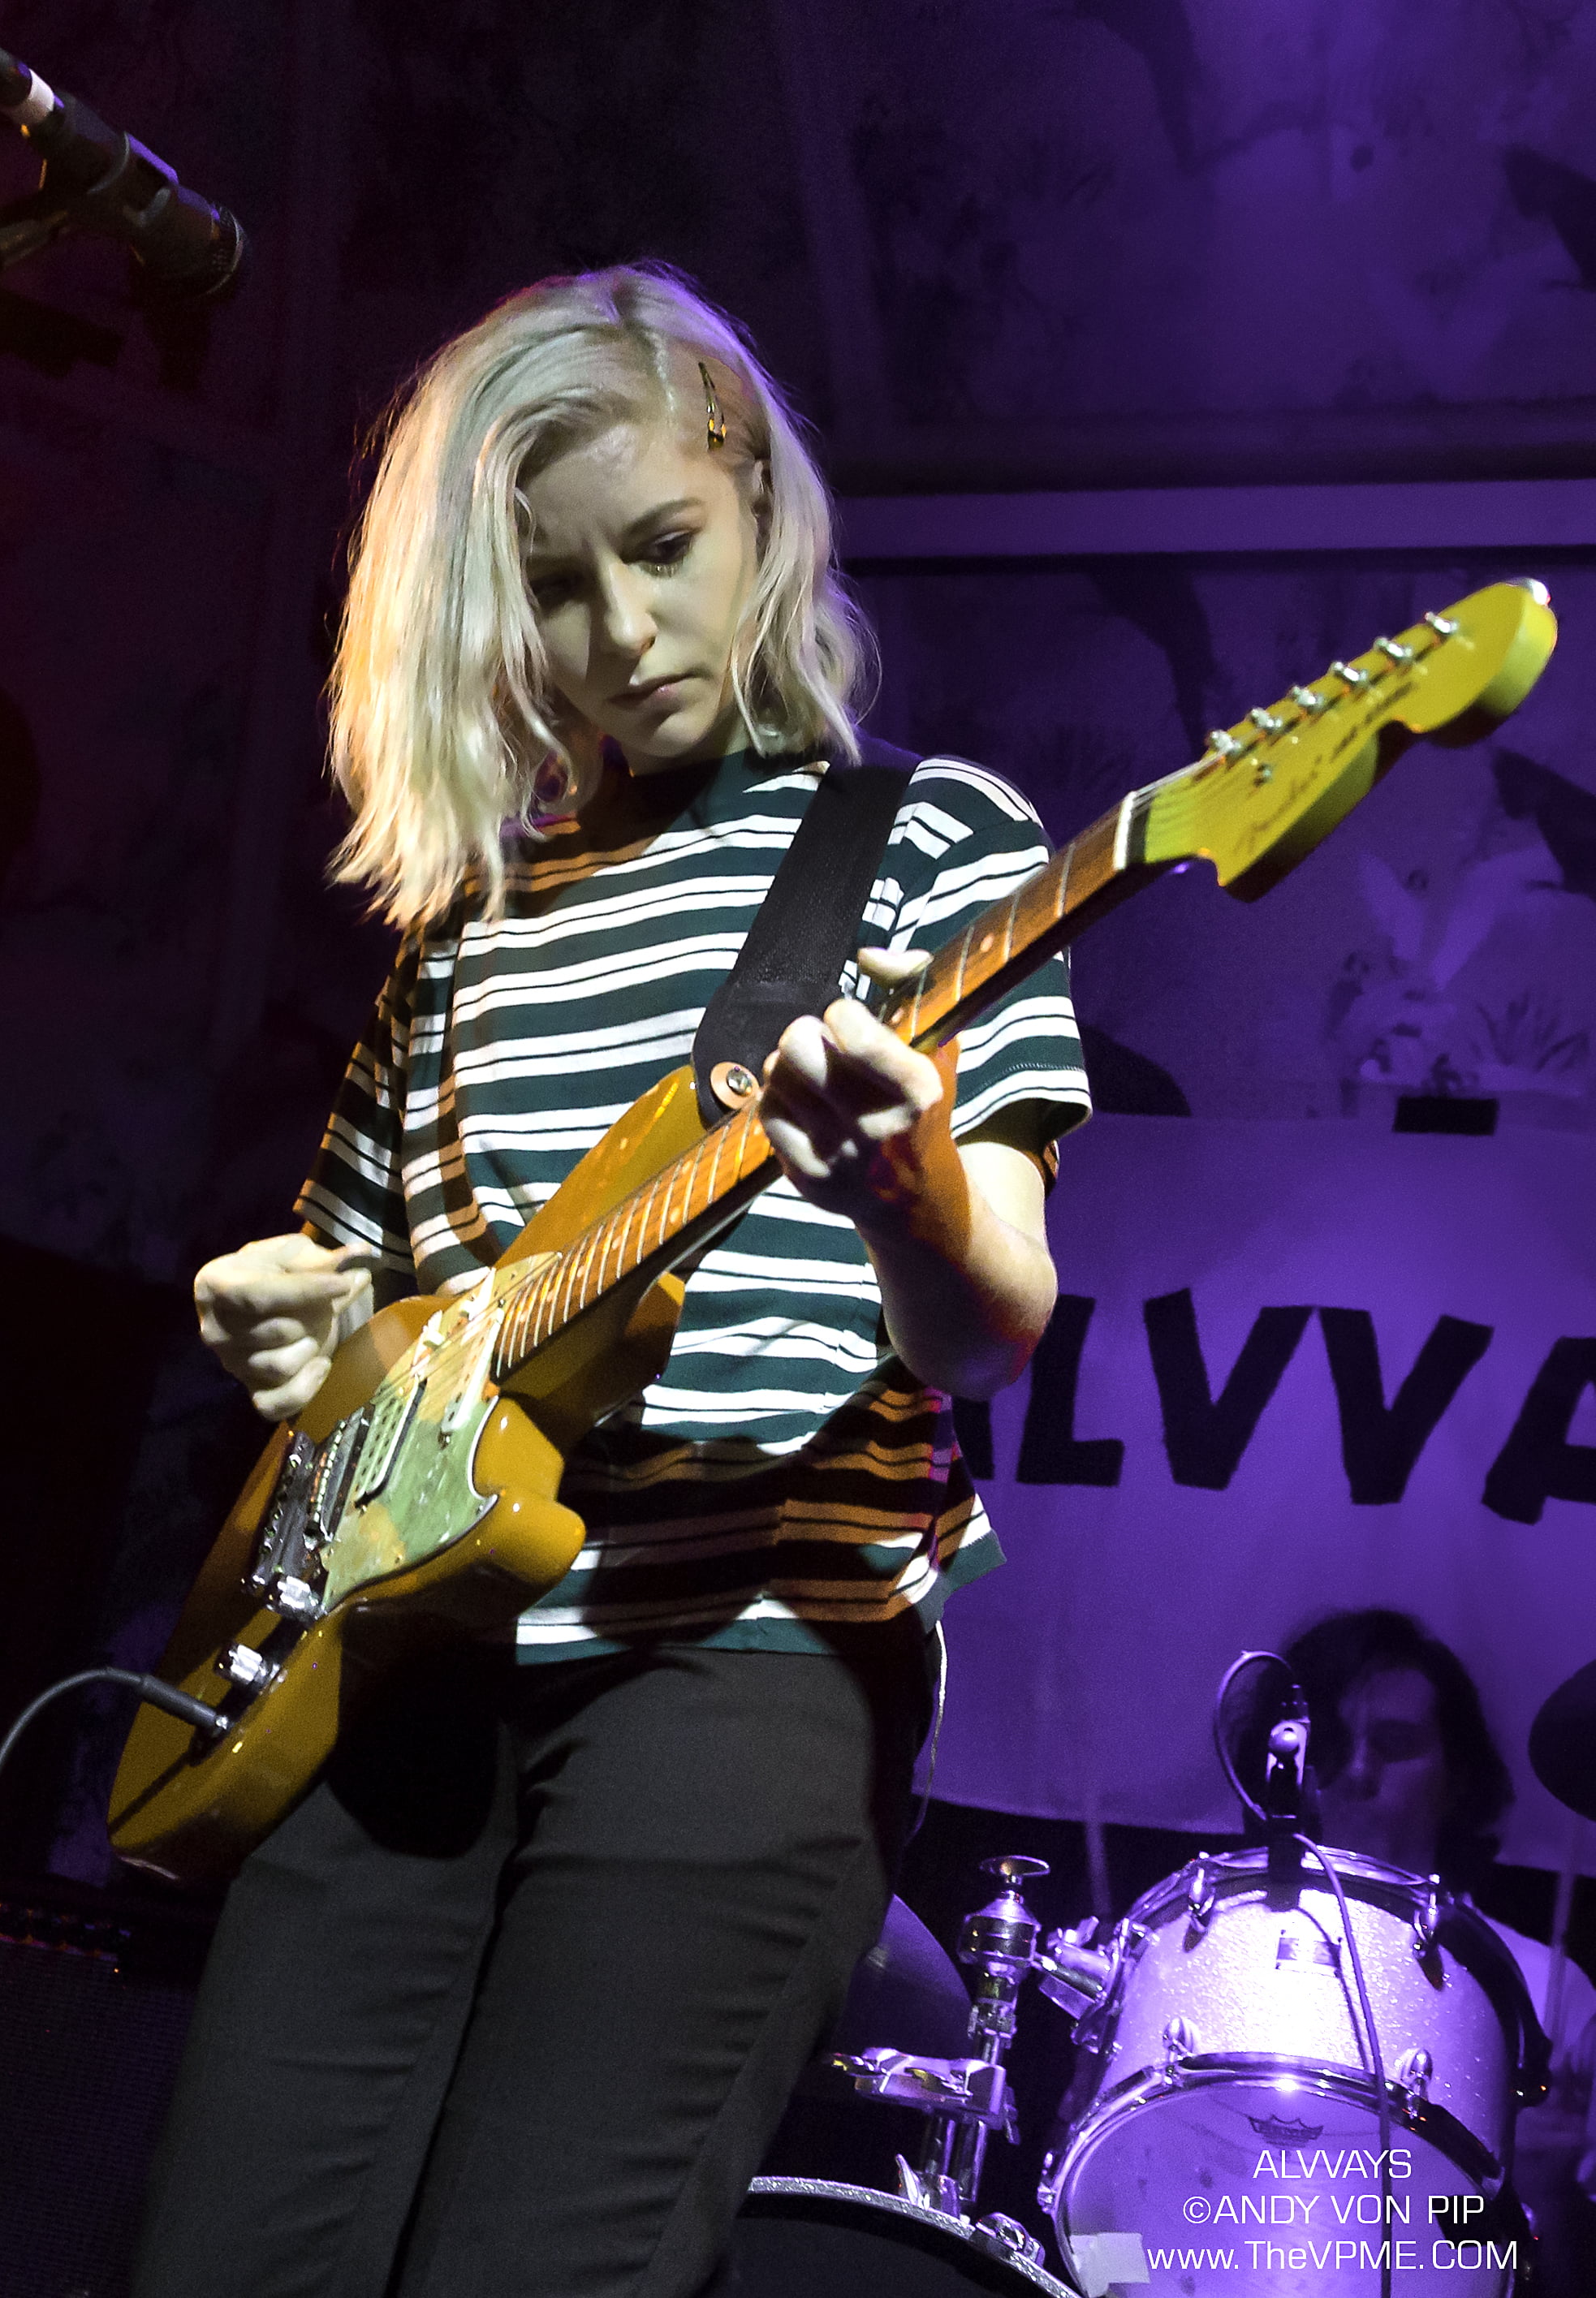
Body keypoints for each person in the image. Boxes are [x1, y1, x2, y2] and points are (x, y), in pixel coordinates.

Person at [132, 264, 1089, 2298]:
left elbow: (992, 1316)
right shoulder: (466, 932)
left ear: (753, 491)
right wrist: (296, 1339)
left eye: (662, 549)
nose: (620, 633)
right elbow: (390, 1348)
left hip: (743, 1657)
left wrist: (908, 1181)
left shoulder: (928, 845)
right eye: (556, 589)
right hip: (406, 1667)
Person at [1287, 1607, 1596, 2274]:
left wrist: (1539, 2195)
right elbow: (1110, 2239)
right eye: (1334, 1744)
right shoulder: (1208, 1953)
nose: (1356, 1771)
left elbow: (1538, 2273)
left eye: (1394, 1744)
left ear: (1457, 1778)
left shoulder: (1539, 1988)